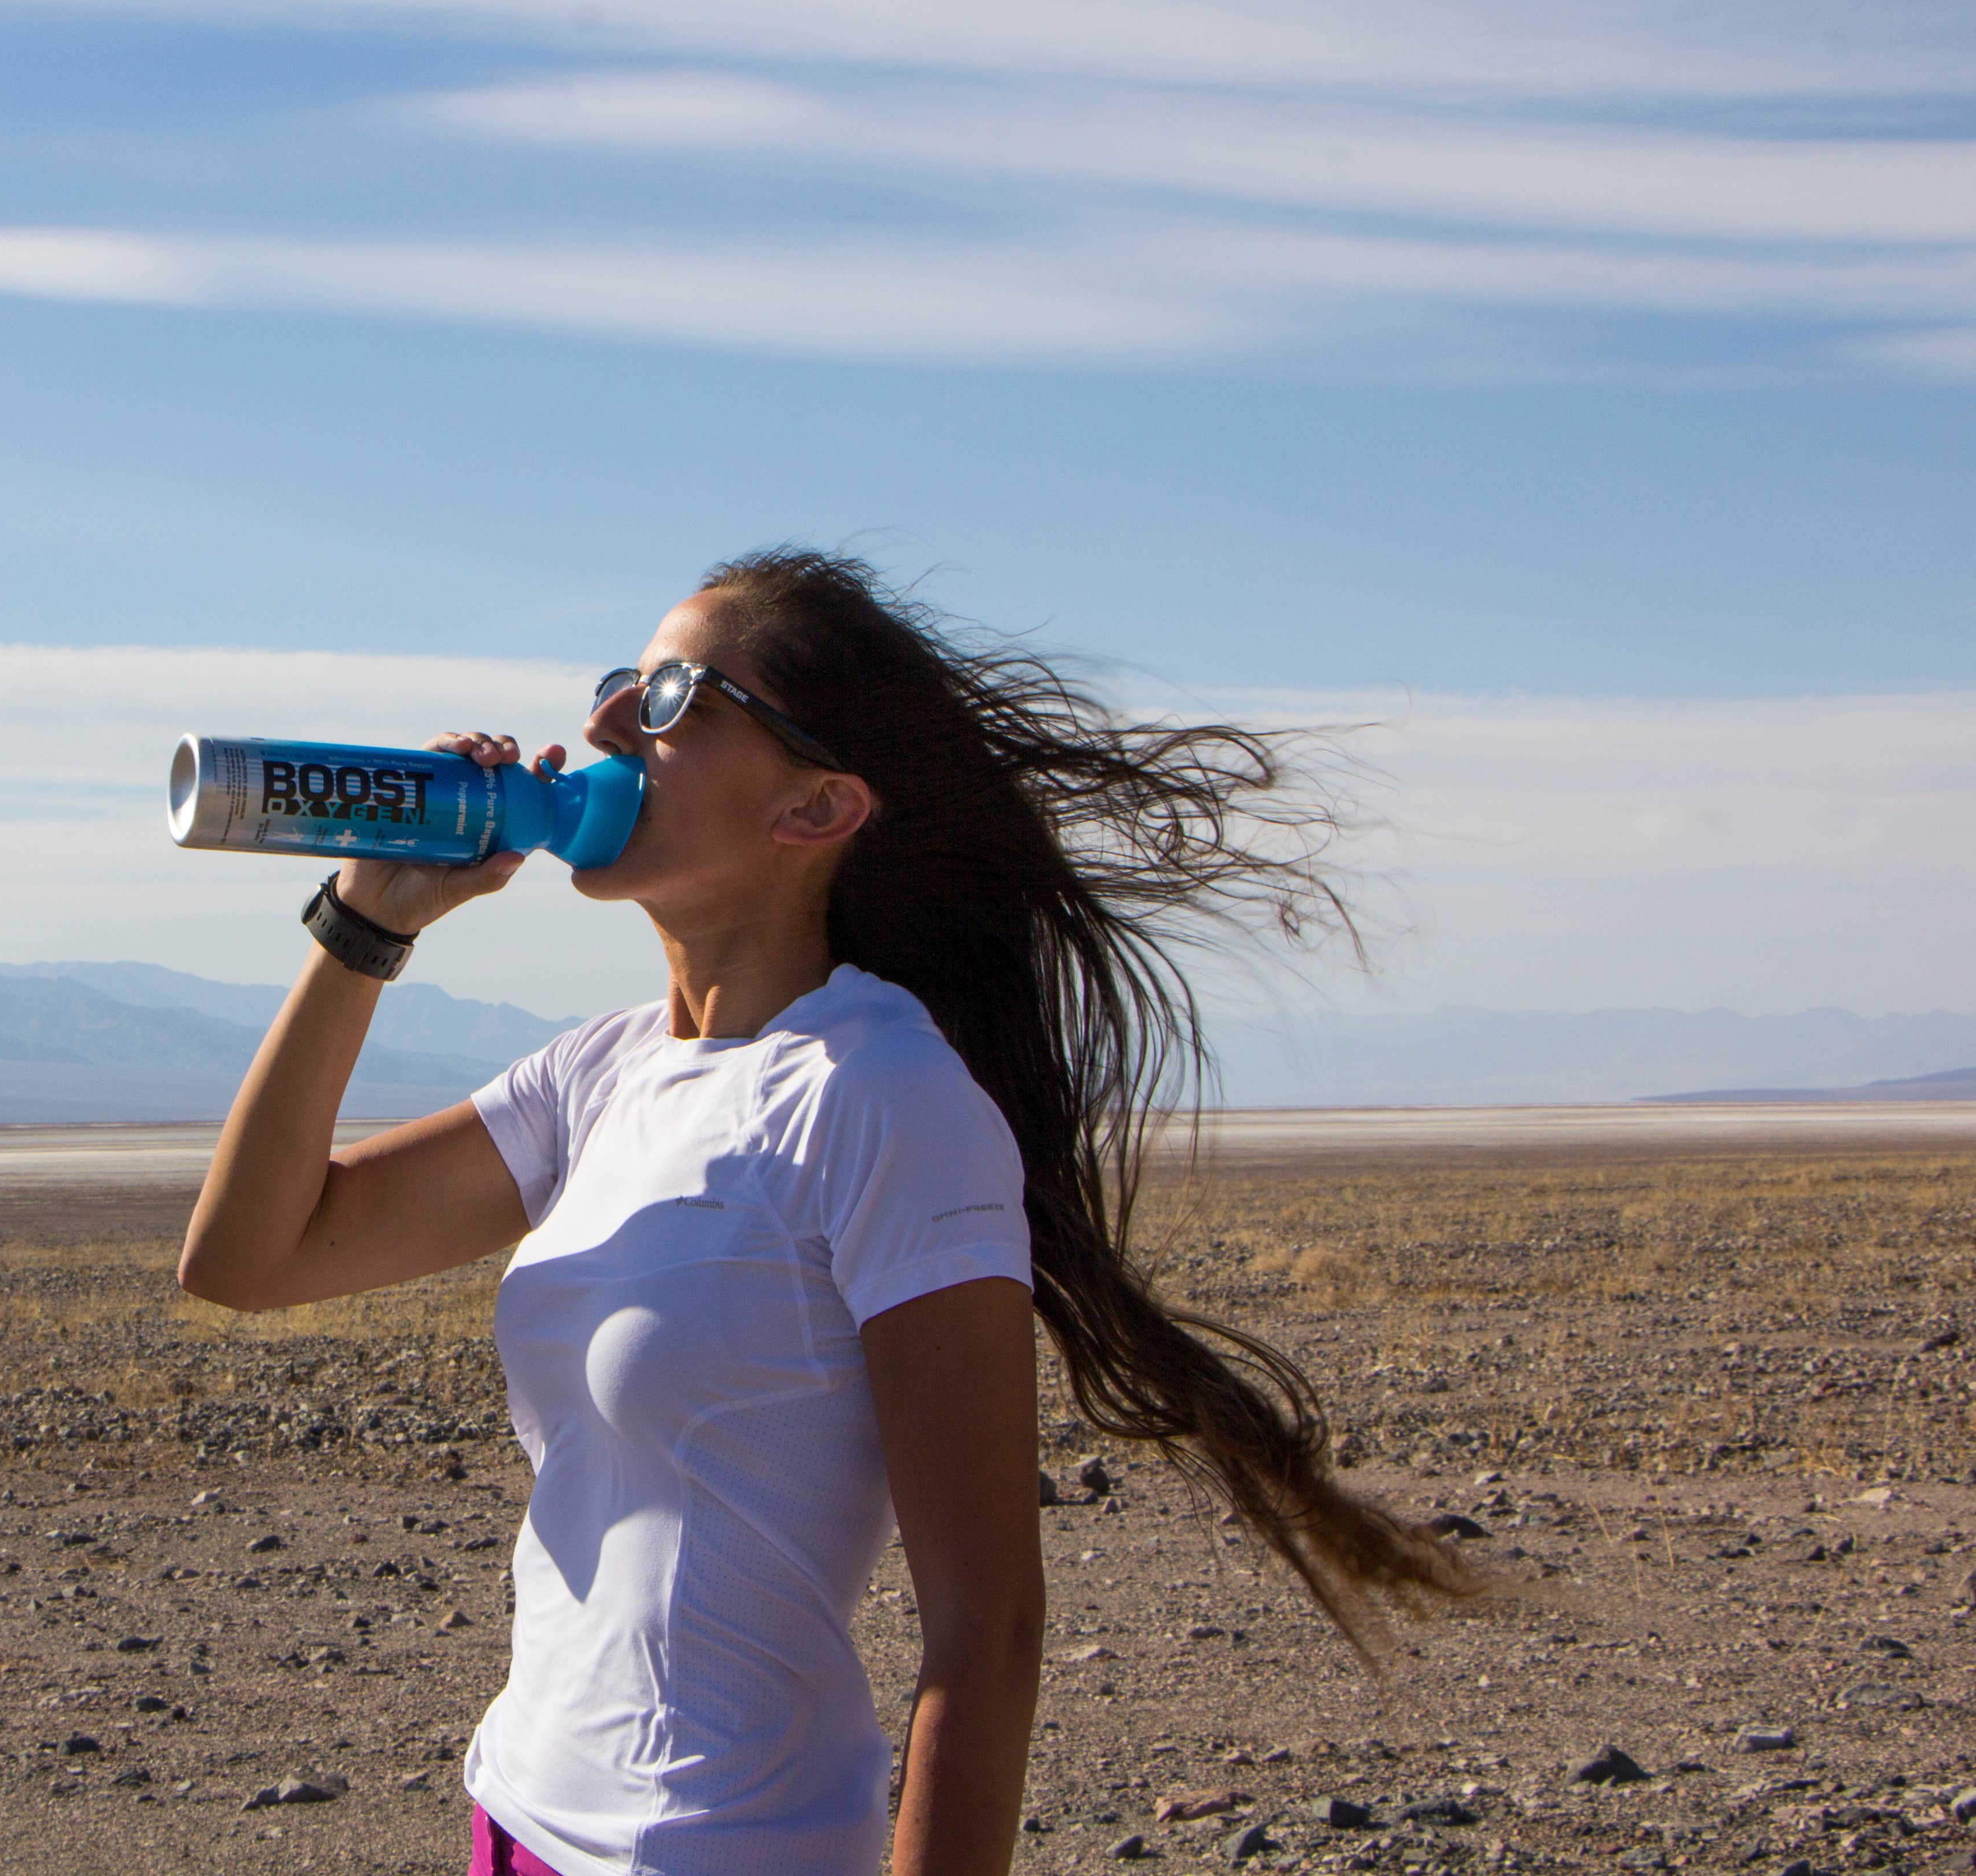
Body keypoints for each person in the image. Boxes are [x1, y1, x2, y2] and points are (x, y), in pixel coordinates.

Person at [178, 550, 1478, 1876]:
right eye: (621, 684)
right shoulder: (600, 1074)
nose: (609, 726)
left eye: (676, 697)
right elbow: (248, 1257)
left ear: (816, 805)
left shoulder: (882, 1097)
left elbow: (989, 1624)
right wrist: (365, 924)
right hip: (516, 1820)